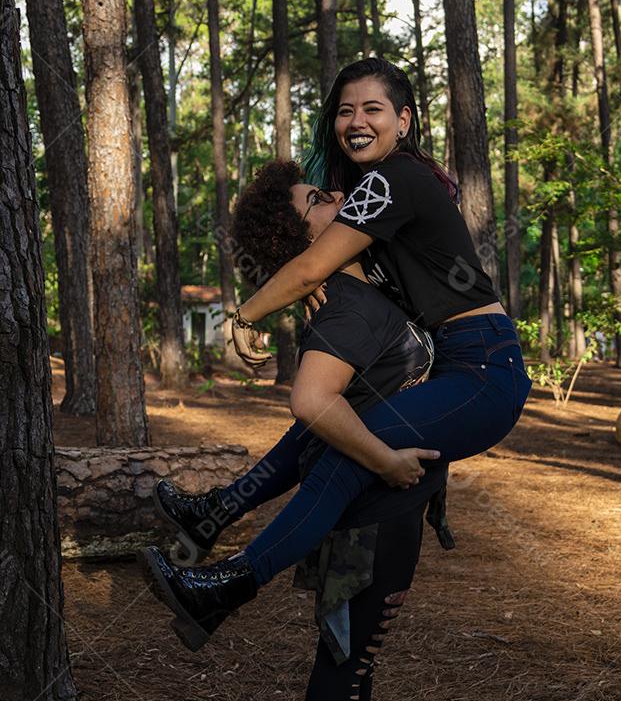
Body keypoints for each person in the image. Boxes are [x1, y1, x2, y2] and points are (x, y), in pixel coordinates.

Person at [140, 57, 531, 655]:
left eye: (373, 109)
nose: (356, 121)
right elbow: (330, 271)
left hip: (484, 368)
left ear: (403, 120)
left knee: (350, 452)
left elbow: (310, 268)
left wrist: (246, 313)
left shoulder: (395, 178)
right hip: (455, 365)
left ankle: (227, 583)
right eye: (345, 110)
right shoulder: (375, 197)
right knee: (335, 433)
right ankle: (216, 520)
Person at [143, 159, 454, 701]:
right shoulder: (346, 311)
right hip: (370, 505)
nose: (339, 198)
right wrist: (386, 461)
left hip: (396, 501)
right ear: (299, 238)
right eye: (319, 199)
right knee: (347, 651)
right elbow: (311, 410)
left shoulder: (368, 283)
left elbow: (435, 190)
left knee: (364, 649)